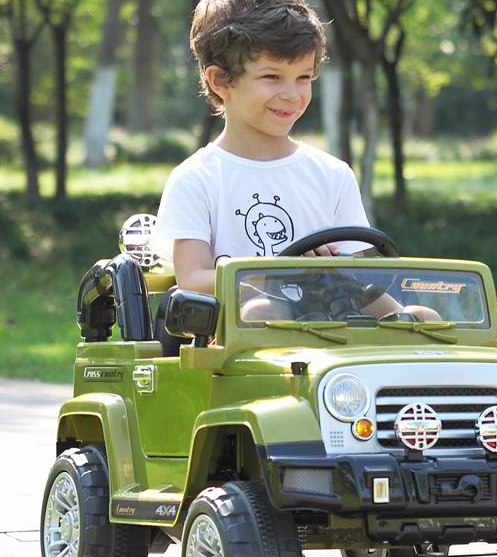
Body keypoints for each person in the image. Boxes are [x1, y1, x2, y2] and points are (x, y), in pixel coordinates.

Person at [153, 0, 438, 321]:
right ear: (220, 81)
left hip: (331, 330)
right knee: (266, 311)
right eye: (273, 76)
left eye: (303, 77)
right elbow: (192, 281)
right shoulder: (197, 178)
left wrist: (400, 315)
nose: (292, 94)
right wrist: (282, 273)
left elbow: (356, 284)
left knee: (426, 318)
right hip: (232, 345)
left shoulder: (332, 174)